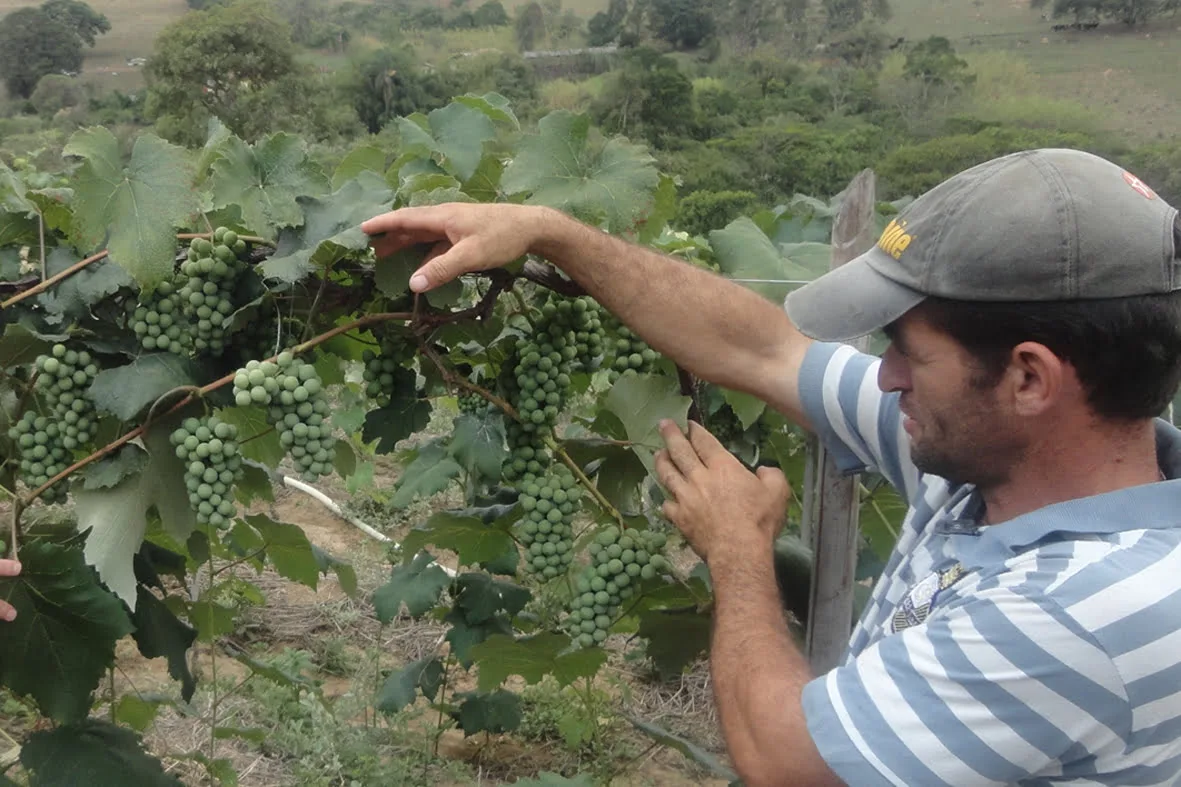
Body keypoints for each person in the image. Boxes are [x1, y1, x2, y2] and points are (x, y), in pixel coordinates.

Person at [362, 147, 1181, 786]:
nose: (884, 376)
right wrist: (553, 231)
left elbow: (786, 759)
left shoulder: (1080, 610)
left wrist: (738, 551)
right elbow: (762, 349)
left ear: (1029, 378)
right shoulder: (999, 459)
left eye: (906, 353)